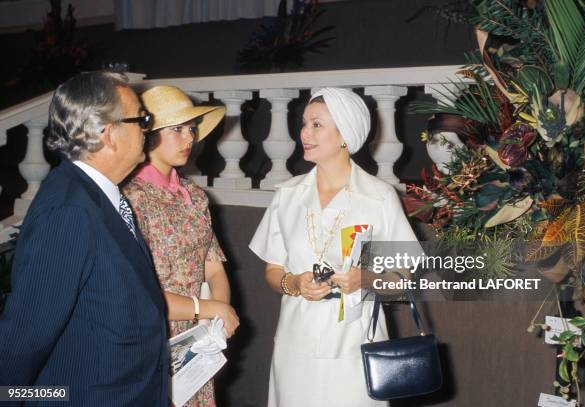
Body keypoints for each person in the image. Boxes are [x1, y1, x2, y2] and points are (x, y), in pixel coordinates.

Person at [0, 71, 168, 405]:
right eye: (142, 119)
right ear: (109, 134)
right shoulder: (70, 211)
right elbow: (25, 338)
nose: (147, 129)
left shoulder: (100, 197)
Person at [249, 87, 420, 407]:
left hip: (355, 345)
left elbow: (403, 276)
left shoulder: (379, 196)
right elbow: (272, 271)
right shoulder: (287, 195)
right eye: (304, 124)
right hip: (295, 344)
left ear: (345, 134)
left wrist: (365, 280)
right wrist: (294, 283)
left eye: (317, 125)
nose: (304, 133)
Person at [122, 85, 239, 407]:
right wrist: (210, 309)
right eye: (177, 130)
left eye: (191, 129)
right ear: (149, 135)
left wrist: (214, 323)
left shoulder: (195, 196)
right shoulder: (131, 198)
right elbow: (136, 293)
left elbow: (214, 268)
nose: (190, 138)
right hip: (150, 333)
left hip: (196, 338)